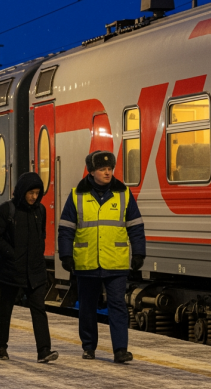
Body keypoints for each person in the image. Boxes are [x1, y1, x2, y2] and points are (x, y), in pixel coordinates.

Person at [58, 150, 145, 364]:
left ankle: (120, 350)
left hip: (115, 261)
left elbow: (135, 226)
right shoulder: (77, 195)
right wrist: (66, 255)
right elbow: (66, 228)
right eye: (102, 169)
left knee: (118, 305)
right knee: (87, 306)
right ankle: (89, 347)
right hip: (87, 260)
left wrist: (139, 252)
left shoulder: (123, 193)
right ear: (92, 171)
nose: (107, 173)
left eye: (110, 169)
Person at [0, 172, 58, 363]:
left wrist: (38, 255)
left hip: (35, 270)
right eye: (31, 193)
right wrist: (11, 254)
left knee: (39, 308)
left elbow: (42, 234)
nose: (34, 197)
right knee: (6, 307)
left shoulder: (40, 211)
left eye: (37, 193)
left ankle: (44, 350)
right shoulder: (6, 210)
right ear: (22, 191)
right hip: (11, 269)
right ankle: (1, 347)